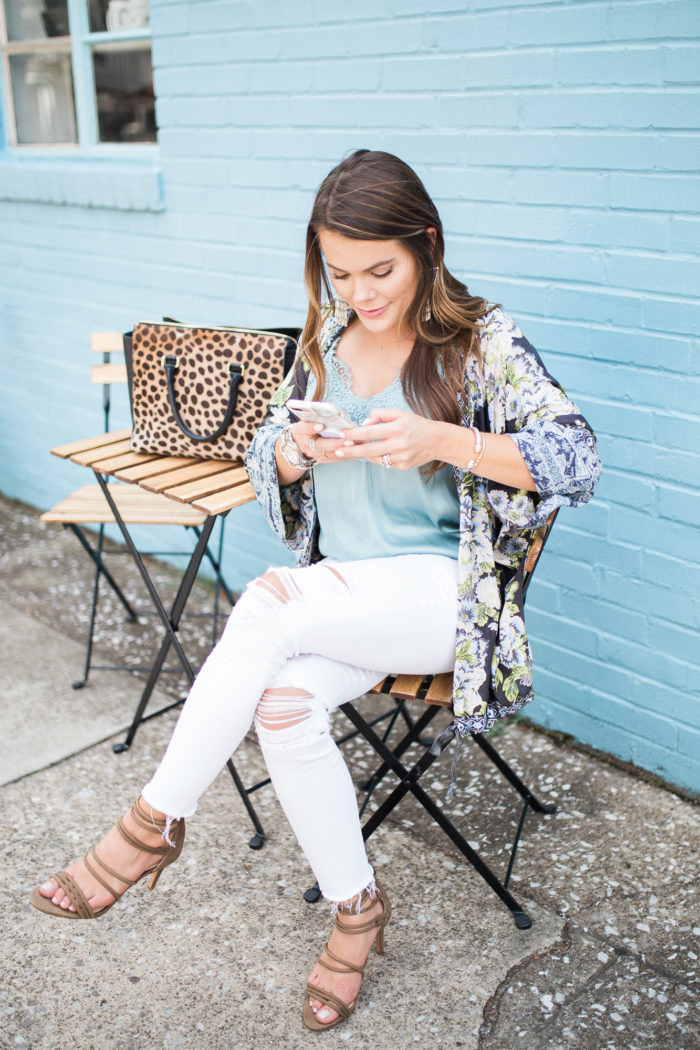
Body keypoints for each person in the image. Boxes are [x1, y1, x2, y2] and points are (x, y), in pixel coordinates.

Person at [30, 149, 601, 1031]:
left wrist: (440, 441)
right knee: (283, 709)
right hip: (346, 597)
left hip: (445, 600)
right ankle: (358, 907)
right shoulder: (323, 343)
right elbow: (268, 455)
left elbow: (576, 457)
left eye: (382, 270)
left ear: (427, 245)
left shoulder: (481, 339)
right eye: (341, 272)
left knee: (267, 603)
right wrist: (298, 452)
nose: (363, 292)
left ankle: (151, 825)